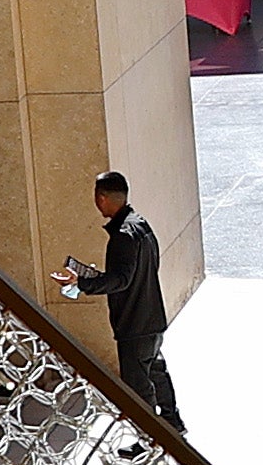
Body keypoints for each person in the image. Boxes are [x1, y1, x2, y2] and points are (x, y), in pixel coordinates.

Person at [57, 172, 181, 432]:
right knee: (156, 373)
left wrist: (79, 283)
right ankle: (172, 423)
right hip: (152, 318)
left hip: (134, 324)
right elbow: (136, 273)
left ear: (101, 198)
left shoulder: (123, 235)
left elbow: (121, 280)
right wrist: (91, 278)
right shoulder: (141, 225)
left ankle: (151, 439)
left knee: (139, 388)